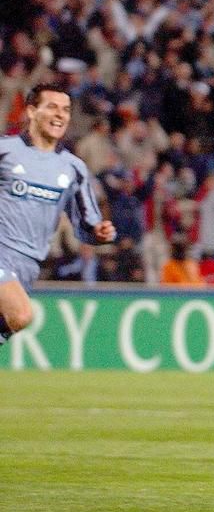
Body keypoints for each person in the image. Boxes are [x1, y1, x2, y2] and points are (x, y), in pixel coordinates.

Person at [0, 83, 116, 346]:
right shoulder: (5, 151)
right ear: (31, 111)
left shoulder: (73, 168)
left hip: (28, 265)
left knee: (11, 320)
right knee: (21, 314)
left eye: (65, 109)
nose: (60, 115)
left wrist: (100, 232)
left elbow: (88, 223)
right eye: (52, 107)